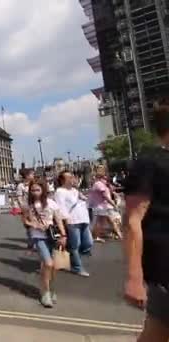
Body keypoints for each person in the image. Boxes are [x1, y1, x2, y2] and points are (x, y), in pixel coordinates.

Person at [123, 98, 169, 341]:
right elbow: (132, 221)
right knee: (158, 332)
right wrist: (134, 277)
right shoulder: (149, 162)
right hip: (165, 266)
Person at [20, 178, 67, 308]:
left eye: (38, 190)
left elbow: (58, 220)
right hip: (38, 236)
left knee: (54, 266)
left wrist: (63, 235)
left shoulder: (51, 203)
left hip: (52, 236)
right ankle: (45, 293)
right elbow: (24, 221)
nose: (35, 192)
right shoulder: (27, 205)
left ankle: (51, 288)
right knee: (48, 263)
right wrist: (33, 224)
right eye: (32, 190)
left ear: (43, 190)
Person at [54, 171, 92, 277]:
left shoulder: (75, 190)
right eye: (69, 177)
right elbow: (61, 209)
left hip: (84, 219)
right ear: (62, 180)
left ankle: (73, 257)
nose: (72, 179)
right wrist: (66, 223)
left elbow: (85, 200)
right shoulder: (60, 191)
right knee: (75, 245)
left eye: (73, 177)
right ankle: (77, 267)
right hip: (72, 221)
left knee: (88, 243)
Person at [89, 165, 121, 242]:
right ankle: (95, 236)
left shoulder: (100, 183)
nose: (106, 177)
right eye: (105, 176)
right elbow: (106, 197)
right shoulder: (99, 184)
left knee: (109, 221)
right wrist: (114, 205)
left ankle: (119, 234)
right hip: (100, 206)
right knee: (100, 222)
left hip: (103, 206)